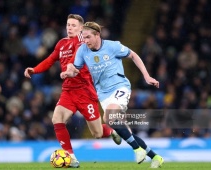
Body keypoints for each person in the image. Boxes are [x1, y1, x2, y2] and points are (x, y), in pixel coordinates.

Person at [61, 21, 164, 168]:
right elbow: (75, 69)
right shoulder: (83, 50)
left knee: (109, 117)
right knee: (125, 132)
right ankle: (156, 157)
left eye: (88, 37)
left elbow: (133, 55)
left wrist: (147, 77)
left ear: (97, 35)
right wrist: (68, 72)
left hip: (119, 87)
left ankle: (137, 149)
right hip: (103, 94)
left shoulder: (113, 46)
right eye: (83, 37)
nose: (86, 41)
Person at [24, 14, 121, 168]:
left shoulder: (83, 43)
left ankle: (110, 131)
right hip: (68, 90)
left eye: (73, 25)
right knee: (57, 118)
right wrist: (34, 70)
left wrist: (70, 69)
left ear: (81, 28)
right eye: (68, 25)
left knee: (97, 133)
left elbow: (76, 57)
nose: (69, 28)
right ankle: (71, 156)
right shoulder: (61, 44)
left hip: (85, 91)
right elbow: (50, 60)